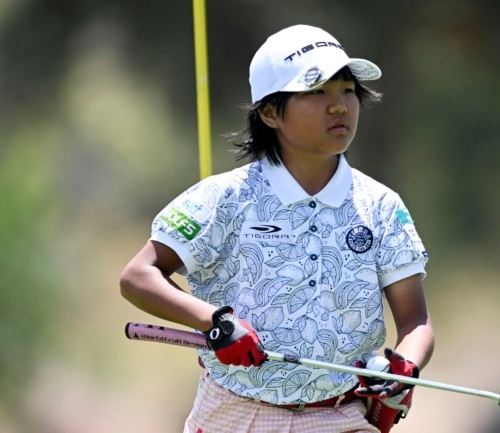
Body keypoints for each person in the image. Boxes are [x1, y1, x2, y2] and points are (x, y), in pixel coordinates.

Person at [120, 24, 434, 433]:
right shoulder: (225, 197)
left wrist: (403, 368)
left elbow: (415, 321)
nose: (339, 105)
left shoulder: (382, 206)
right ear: (269, 112)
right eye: (317, 91)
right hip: (234, 415)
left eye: (346, 89)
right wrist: (214, 320)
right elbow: (138, 276)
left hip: (339, 417)